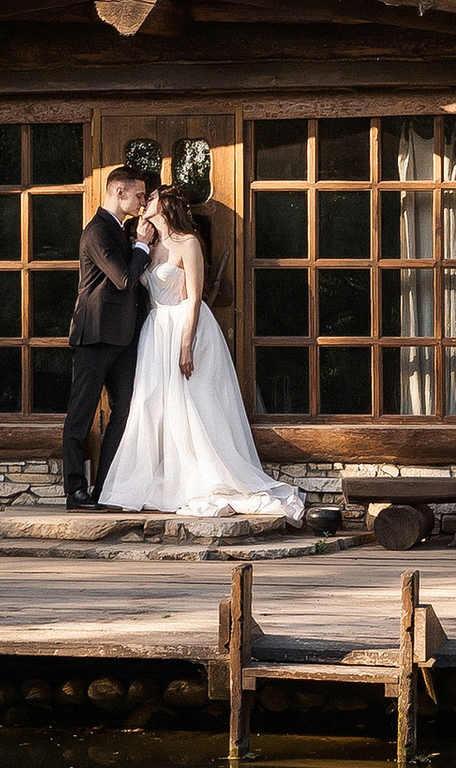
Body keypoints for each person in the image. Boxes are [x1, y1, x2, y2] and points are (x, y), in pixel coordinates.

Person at [98, 181, 306, 522]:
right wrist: (141, 241)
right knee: (151, 405)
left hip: (185, 326)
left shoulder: (188, 243)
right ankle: (148, 483)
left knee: (192, 406)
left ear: (165, 206)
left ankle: (205, 478)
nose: (144, 202)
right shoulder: (150, 245)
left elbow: (194, 297)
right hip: (155, 330)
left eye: (150, 198)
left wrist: (186, 345)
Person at [62, 165, 152, 506]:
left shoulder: (122, 229)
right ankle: (75, 490)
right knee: (80, 415)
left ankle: (106, 486)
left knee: (125, 410)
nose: (143, 202)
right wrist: (142, 247)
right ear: (118, 192)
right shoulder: (97, 231)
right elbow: (123, 280)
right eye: (139, 195)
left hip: (124, 338)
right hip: (94, 337)